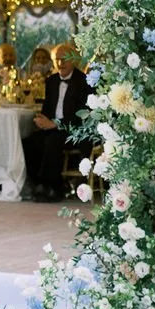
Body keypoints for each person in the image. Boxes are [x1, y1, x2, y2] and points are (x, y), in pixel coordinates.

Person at [22, 41, 92, 202]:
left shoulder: (84, 82)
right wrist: (42, 119)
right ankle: (39, 183)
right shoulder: (52, 81)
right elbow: (48, 110)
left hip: (75, 130)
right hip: (53, 128)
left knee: (53, 141)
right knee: (28, 142)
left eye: (64, 59)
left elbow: (83, 115)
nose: (60, 63)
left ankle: (50, 187)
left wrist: (56, 124)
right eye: (57, 60)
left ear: (73, 59)